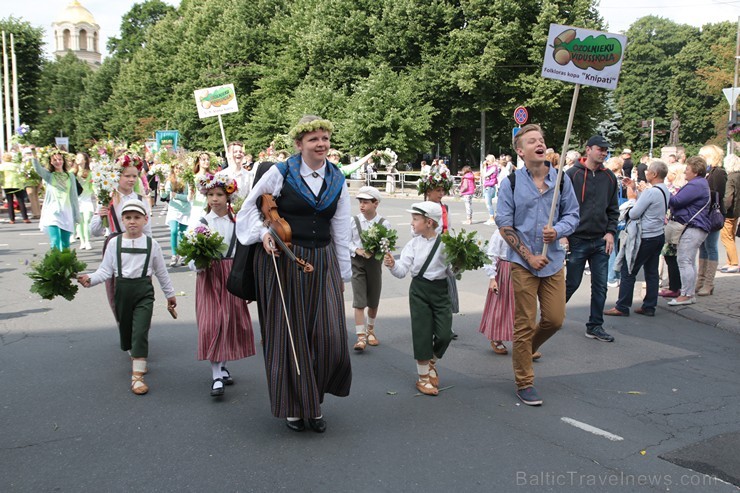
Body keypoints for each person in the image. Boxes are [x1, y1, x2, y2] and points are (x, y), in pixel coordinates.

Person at [236, 115, 351, 433]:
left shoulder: (338, 179)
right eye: (314, 139)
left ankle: (312, 398)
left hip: (323, 259)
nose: (321, 143)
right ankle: (300, 408)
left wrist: (342, 273)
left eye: (325, 138)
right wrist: (263, 234)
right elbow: (247, 209)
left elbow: (341, 227)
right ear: (299, 144)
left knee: (330, 337)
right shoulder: (281, 172)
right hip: (284, 258)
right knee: (289, 336)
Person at [496, 124, 579, 406]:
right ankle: (525, 381)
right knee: (524, 322)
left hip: (554, 259)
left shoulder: (562, 182)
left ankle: (526, 349)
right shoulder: (511, 184)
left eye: (541, 140)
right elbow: (504, 224)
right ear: (521, 151)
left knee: (555, 319)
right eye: (532, 141)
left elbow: (573, 215)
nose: (539, 143)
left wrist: (558, 230)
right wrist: (529, 255)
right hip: (523, 262)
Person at [77, 199, 176, 395]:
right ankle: (137, 357)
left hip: (144, 292)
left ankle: (137, 377)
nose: (132, 221)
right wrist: (90, 279)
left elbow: (161, 272)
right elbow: (105, 271)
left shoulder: (152, 244)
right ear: (122, 220)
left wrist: (170, 294)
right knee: (127, 331)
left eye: (137, 217)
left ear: (145, 220)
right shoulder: (114, 243)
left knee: (140, 330)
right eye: (128, 217)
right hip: (122, 291)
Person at [190, 172, 256, 397]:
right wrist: (198, 263)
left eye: (219, 194)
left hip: (231, 274)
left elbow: (244, 252)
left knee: (228, 322)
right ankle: (216, 374)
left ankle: (222, 366)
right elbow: (191, 255)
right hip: (209, 277)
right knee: (212, 323)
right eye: (210, 194)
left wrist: (247, 281)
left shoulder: (237, 222)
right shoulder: (201, 223)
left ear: (228, 198)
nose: (214, 199)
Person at [383, 201, 452, 396]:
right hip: (419, 290)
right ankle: (423, 378)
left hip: (440, 291)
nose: (412, 223)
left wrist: (459, 262)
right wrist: (391, 265)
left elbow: (452, 271)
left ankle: (431, 361)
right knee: (422, 333)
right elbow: (401, 271)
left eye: (415, 219)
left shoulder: (446, 244)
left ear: (429, 222)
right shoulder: (413, 244)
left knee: (445, 334)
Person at [564, 135, 620, 343]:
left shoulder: (609, 178)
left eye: (606, 150)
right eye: (600, 149)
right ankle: (551, 316)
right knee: (572, 283)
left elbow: (613, 210)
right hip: (577, 239)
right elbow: (562, 208)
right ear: (588, 150)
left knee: (600, 286)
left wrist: (611, 232)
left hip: (600, 240)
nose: (604, 153)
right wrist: (564, 235)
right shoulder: (572, 175)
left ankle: (595, 325)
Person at [604, 161, 669, 317]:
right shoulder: (664, 190)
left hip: (645, 237)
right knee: (652, 272)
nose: (645, 173)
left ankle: (622, 306)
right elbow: (649, 206)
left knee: (629, 270)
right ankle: (649, 306)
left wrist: (632, 199)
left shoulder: (651, 192)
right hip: (657, 235)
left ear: (654, 174)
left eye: (648, 171)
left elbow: (633, 213)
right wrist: (633, 189)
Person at [349, 186, 391, 351]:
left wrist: (381, 251)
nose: (362, 205)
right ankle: (360, 337)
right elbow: (346, 241)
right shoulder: (354, 221)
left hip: (374, 264)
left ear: (376, 204)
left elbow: (387, 244)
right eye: (360, 202)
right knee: (359, 300)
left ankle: (370, 330)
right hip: (357, 263)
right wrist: (356, 250)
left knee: (373, 299)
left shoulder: (383, 223)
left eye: (366, 202)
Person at [666, 156, 711, 306]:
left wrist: (664, 192)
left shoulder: (696, 185)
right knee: (689, 260)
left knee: (684, 260)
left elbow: (677, 201)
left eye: (687, 170)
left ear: (696, 171)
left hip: (693, 227)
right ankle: (688, 293)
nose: (685, 172)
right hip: (696, 226)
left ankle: (686, 294)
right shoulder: (700, 184)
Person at [32, 149, 80, 250]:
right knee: (55, 241)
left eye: (60, 159)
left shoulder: (70, 176)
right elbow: (38, 169)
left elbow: (74, 196)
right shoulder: (49, 176)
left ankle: (66, 264)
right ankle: (55, 263)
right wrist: (34, 154)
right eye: (55, 160)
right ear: (51, 162)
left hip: (66, 212)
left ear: (63, 160)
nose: (58, 162)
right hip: (52, 212)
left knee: (65, 243)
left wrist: (76, 214)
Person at [479, 229, 515, 355]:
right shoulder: (500, 233)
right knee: (501, 305)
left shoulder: (525, 227)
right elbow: (491, 255)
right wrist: (492, 278)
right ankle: (497, 338)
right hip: (505, 270)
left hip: (522, 269)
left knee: (523, 307)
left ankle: (525, 343)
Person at [695, 145, 726, 296]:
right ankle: (700, 281)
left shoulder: (718, 172)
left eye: (702, 154)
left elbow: (719, 194)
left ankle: (708, 283)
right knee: (703, 246)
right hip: (704, 214)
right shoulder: (706, 173)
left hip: (713, 214)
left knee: (711, 247)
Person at [162, 164, 191, 266]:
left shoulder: (187, 182)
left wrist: (176, 195)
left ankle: (182, 254)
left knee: (183, 233)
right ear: (173, 169)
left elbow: (188, 198)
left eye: (180, 168)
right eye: (177, 168)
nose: (178, 170)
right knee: (174, 231)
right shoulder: (170, 181)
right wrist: (162, 190)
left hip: (185, 210)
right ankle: (174, 255)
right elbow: (165, 195)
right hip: (174, 209)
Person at [720, 154, 740, 272]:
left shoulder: (730, 178)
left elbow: (728, 197)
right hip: (736, 211)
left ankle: (734, 262)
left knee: (726, 237)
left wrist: (723, 210)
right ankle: (729, 261)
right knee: (731, 236)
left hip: (729, 211)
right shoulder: (738, 176)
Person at [1, 152, 30, 224]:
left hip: (7, 184)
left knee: (10, 202)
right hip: (17, 184)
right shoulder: (16, 165)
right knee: (21, 201)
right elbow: (22, 174)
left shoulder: (2, 166)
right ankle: (25, 218)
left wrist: (1, 183)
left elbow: (1, 177)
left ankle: (12, 219)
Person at [74, 153, 95, 250]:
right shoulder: (72, 172)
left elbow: (93, 185)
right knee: (79, 221)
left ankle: (87, 241)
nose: (78, 159)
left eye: (80, 158)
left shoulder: (90, 173)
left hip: (86, 199)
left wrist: (96, 193)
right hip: (76, 199)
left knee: (87, 220)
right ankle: (82, 241)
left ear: (85, 160)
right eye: (77, 158)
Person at [482, 155, 499, 225]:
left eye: (488, 160)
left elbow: (485, 175)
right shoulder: (489, 167)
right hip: (487, 186)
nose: (486, 162)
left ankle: (492, 218)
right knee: (488, 203)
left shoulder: (493, 167)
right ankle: (491, 217)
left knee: (488, 203)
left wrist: (485, 166)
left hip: (490, 186)